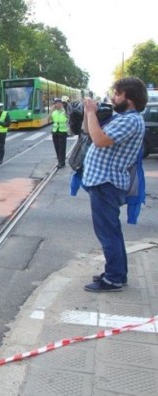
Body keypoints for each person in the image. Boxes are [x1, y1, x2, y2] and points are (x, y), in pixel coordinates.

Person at [82, 77, 147, 292]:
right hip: (103, 183)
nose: (113, 97)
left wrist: (92, 113)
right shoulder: (123, 118)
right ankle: (117, 274)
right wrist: (88, 113)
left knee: (108, 233)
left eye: (118, 94)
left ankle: (113, 279)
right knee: (112, 232)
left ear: (130, 99)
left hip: (106, 184)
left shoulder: (130, 120)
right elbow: (89, 133)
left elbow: (100, 140)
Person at [49, 97, 69, 168]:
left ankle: (62, 162)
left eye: (58, 103)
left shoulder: (65, 111)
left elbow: (68, 117)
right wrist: (51, 110)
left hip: (62, 132)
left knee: (62, 148)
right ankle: (59, 161)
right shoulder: (54, 112)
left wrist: (64, 108)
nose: (57, 105)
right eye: (55, 103)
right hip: (55, 132)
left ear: (61, 104)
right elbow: (49, 119)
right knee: (57, 147)